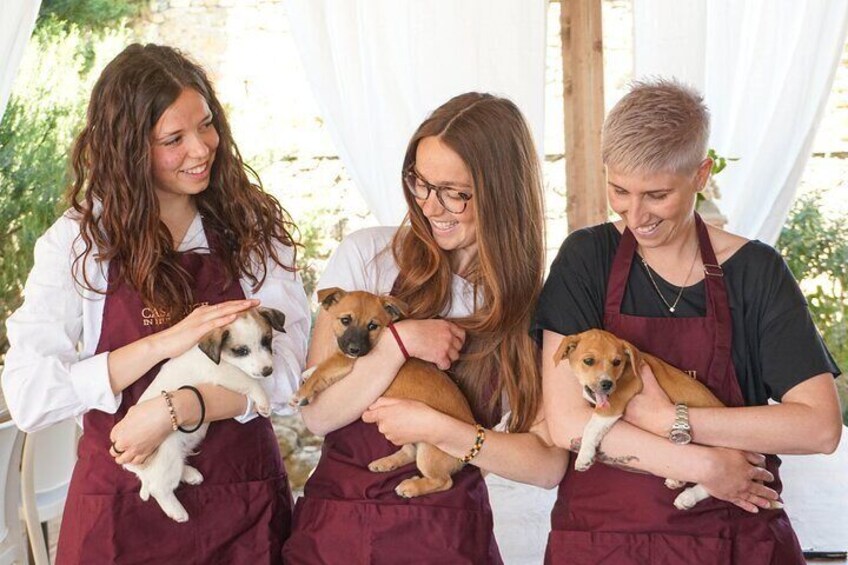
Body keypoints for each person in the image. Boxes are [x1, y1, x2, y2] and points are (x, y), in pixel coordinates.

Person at [2, 43, 309, 564]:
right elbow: (31, 396)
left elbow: (288, 376)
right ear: (128, 149)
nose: (201, 148)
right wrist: (165, 343)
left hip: (242, 507)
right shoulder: (79, 243)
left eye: (206, 124)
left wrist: (178, 408)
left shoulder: (252, 233)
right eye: (173, 139)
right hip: (120, 513)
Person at [535, 78, 842, 564]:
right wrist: (701, 461)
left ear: (700, 175)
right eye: (619, 190)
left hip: (735, 540)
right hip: (604, 544)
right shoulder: (586, 259)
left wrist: (670, 419)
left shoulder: (757, 272)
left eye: (656, 195)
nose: (636, 215)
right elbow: (568, 422)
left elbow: (819, 428)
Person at [283, 92, 568, 563]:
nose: (431, 207)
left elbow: (546, 465)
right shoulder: (367, 258)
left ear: (501, 192)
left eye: (455, 193)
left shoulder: (532, 306)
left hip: (448, 535)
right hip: (340, 533)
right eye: (420, 183)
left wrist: (440, 428)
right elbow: (318, 415)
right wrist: (398, 342)